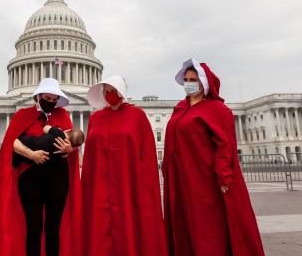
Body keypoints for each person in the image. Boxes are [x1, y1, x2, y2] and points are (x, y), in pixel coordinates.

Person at [162, 59, 265, 256]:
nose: (188, 83)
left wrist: (224, 174)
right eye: (186, 79)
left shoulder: (218, 110)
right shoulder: (180, 108)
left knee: (207, 226)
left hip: (205, 180)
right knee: (185, 222)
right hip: (181, 178)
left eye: (193, 79)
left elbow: (226, 145)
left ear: (204, 83)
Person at [0, 78, 81, 256]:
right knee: (34, 225)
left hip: (57, 178)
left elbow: (71, 146)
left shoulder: (62, 115)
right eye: (48, 98)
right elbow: (9, 143)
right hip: (31, 177)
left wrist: (70, 149)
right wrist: (31, 155)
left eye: (55, 99)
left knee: (54, 227)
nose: (51, 102)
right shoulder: (23, 114)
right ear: (38, 96)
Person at [80, 76, 168, 256]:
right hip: (100, 185)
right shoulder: (96, 118)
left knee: (129, 225)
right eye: (106, 91)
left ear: (121, 91)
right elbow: (89, 155)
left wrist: (145, 185)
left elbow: (148, 154)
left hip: (129, 182)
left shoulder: (138, 116)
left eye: (113, 90)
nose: (109, 94)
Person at [13, 126, 85, 168]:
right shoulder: (64, 151)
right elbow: (64, 156)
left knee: (21, 142)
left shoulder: (58, 132)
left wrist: (56, 128)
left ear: (68, 131)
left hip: (31, 143)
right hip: (36, 159)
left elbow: (45, 128)